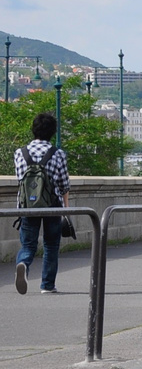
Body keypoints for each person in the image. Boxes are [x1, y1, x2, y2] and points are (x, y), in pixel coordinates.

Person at [14, 112, 69, 295]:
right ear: (53, 132)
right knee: (51, 245)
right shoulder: (57, 153)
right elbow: (63, 184)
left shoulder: (20, 153)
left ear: (33, 130)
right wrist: (66, 210)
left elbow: (20, 181)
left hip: (27, 206)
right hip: (51, 205)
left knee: (28, 245)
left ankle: (23, 263)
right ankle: (47, 285)